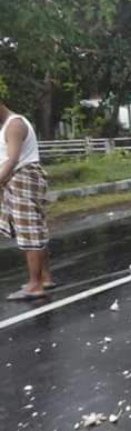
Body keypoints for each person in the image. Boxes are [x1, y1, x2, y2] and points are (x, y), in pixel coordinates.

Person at [0, 100, 54, 300]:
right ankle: (45, 277)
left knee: (29, 231)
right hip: (21, 180)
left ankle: (35, 285)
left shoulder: (14, 125)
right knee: (35, 228)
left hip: (23, 178)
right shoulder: (7, 126)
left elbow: (12, 160)